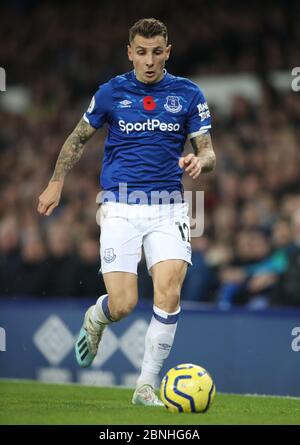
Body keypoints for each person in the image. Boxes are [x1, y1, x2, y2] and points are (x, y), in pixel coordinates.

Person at [37, 18, 216, 406]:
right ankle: (97, 318)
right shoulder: (111, 92)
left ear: (167, 51)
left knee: (168, 293)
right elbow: (77, 138)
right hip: (119, 206)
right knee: (123, 304)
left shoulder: (188, 93)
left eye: (157, 52)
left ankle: (145, 387)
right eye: (141, 52)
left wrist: (201, 161)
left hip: (169, 209)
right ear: (130, 52)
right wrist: (56, 180)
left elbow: (208, 150)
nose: (149, 61)